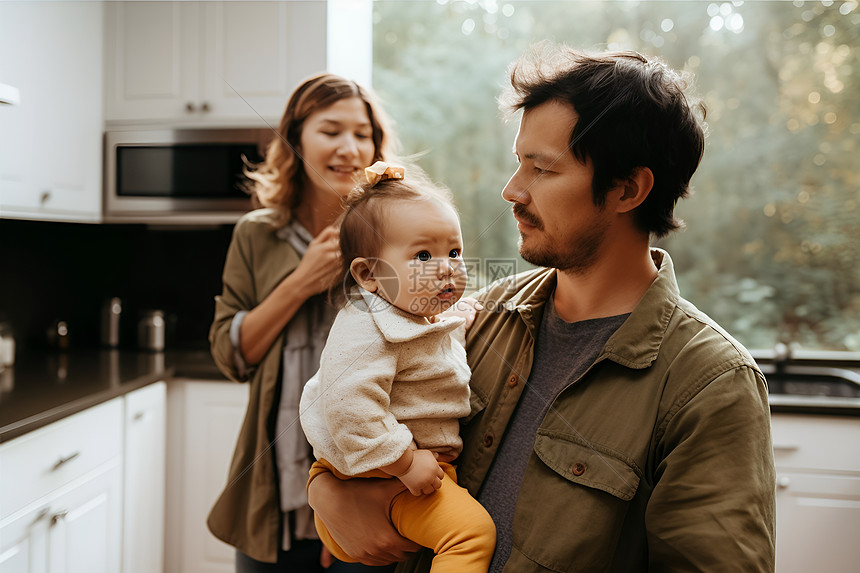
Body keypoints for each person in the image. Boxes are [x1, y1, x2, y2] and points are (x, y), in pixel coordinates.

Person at [307, 45, 777, 572]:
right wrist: (325, 488)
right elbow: (352, 408)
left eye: (542, 169)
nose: (512, 190)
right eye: (518, 163)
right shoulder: (476, 317)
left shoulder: (711, 384)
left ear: (627, 189)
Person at [208, 73, 401, 572]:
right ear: (296, 140)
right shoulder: (256, 235)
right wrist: (300, 282)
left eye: (363, 134)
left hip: (370, 489)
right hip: (272, 493)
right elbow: (232, 355)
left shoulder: (393, 233)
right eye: (331, 130)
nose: (350, 148)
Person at [299, 163, 496, 573]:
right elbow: (348, 403)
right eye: (424, 255)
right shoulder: (363, 327)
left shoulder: (414, 312)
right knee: (471, 535)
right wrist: (404, 462)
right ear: (369, 274)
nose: (446, 267)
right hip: (381, 472)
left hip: (391, 470)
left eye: (454, 252)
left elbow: (424, 354)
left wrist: (455, 320)